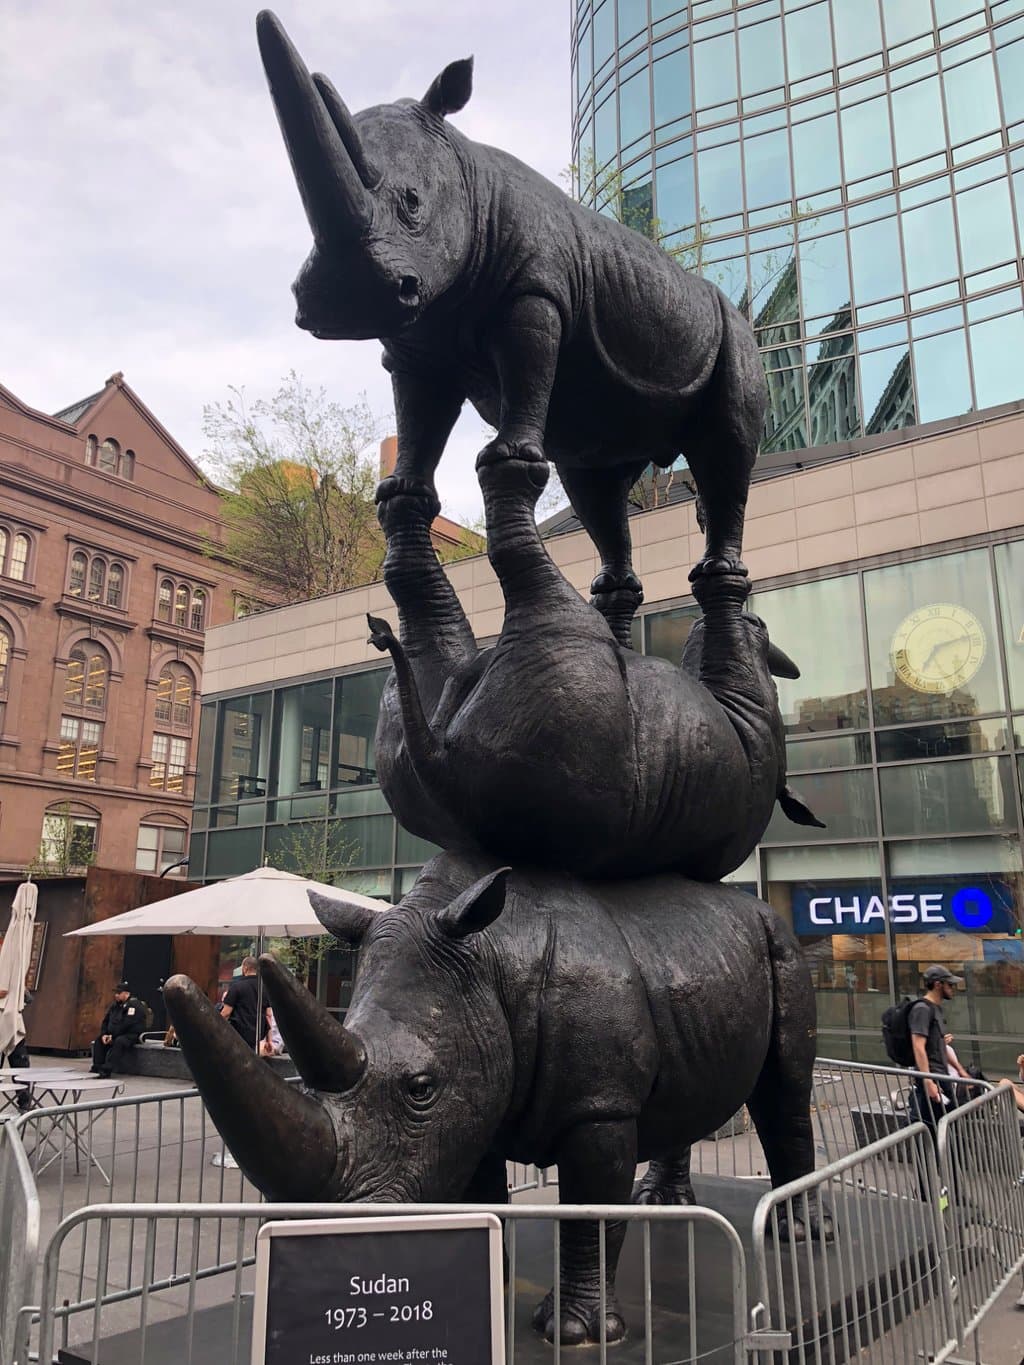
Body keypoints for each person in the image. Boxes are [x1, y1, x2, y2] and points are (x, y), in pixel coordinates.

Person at [910, 964, 964, 1146]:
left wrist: (960, 1070)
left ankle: (949, 1172)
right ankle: (928, 1173)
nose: (953, 989)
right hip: (932, 1081)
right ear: (938, 985)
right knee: (930, 1134)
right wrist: (928, 1081)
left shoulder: (936, 1010)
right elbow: (918, 1046)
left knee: (949, 1130)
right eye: (950, 984)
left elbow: (939, 1045)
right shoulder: (922, 1009)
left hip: (942, 1078)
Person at [91, 981, 145, 1078]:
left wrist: (113, 1036)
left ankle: (107, 1069)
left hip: (130, 1035)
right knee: (99, 1040)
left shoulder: (133, 1006)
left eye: (119, 993)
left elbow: (126, 1024)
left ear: (126, 994)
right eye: (116, 993)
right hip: (113, 1034)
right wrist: (104, 1034)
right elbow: (106, 1021)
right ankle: (97, 1066)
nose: (116, 995)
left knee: (119, 1042)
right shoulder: (115, 1006)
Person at [219, 957, 270, 1052]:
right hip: (258, 1033)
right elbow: (268, 1015)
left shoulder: (236, 987)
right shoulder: (265, 988)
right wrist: (269, 1040)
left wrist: (217, 1030)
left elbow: (226, 1013)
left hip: (240, 1032)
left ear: (245, 968)